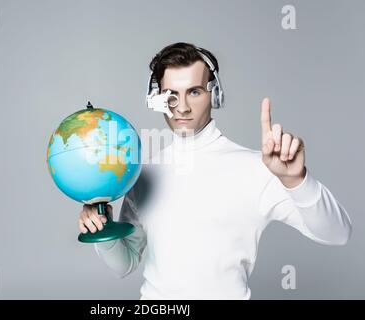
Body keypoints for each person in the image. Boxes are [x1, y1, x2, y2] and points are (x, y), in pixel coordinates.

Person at [78, 42, 352, 299]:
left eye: (194, 92)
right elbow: (124, 265)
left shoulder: (258, 169)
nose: (181, 107)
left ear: (215, 95)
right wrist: (102, 231)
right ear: (156, 98)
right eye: (170, 95)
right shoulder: (142, 175)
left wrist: (297, 181)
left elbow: (337, 233)